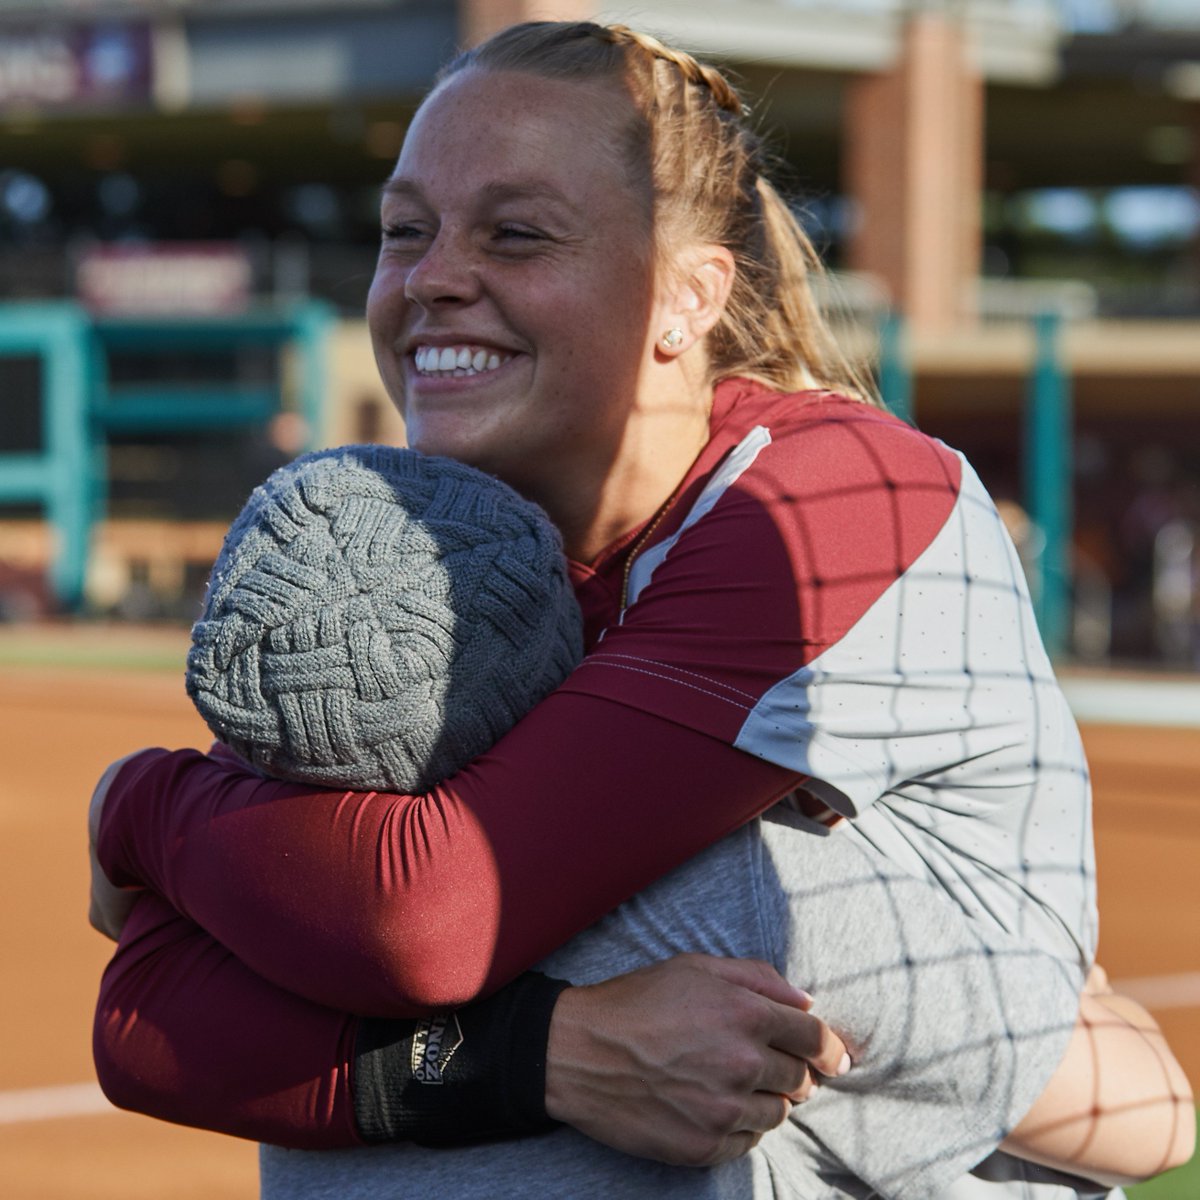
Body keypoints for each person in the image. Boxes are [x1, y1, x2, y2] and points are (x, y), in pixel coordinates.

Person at [88, 18, 1194, 1198]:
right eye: (404, 230)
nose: (433, 276)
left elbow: (432, 911)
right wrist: (541, 1051)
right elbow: (150, 1015)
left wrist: (144, 807)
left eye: (516, 234)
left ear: (688, 295)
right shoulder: (413, 544)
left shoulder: (836, 495)